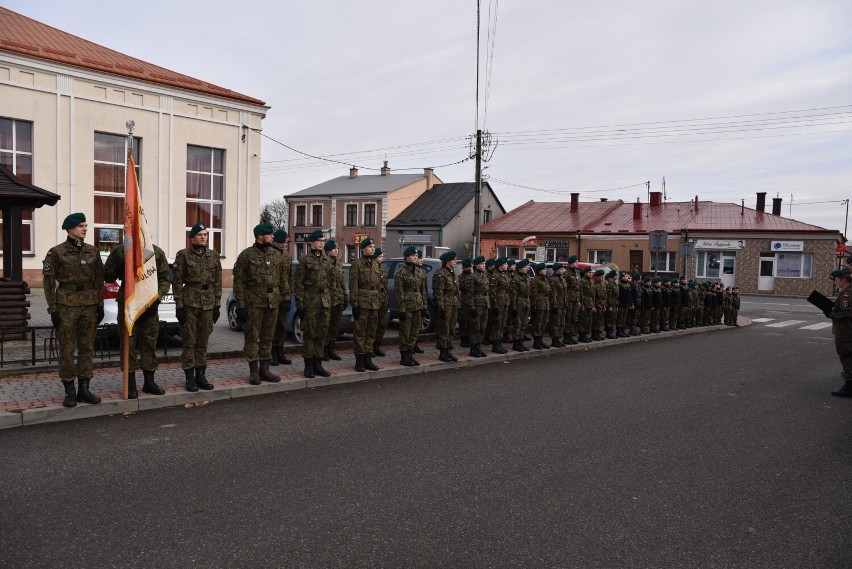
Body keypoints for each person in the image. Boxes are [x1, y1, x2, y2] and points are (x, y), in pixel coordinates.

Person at [43, 213, 105, 407]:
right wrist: (53, 309)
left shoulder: (93, 251)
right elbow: (47, 283)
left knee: (87, 348)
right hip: (66, 306)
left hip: (88, 304)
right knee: (67, 350)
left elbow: (98, 280)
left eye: (86, 225)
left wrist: (100, 305)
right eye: (80, 226)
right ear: (69, 229)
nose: (85, 228)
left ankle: (84, 390)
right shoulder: (56, 253)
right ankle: (69, 390)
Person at [104, 242, 170, 397]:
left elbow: (165, 277)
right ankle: (130, 383)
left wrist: (157, 299)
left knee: (149, 342)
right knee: (128, 343)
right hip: (128, 302)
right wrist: (120, 266)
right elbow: (107, 276)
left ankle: (149, 382)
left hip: (149, 303)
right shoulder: (121, 251)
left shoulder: (155, 252)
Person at [233, 223, 291, 384]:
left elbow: (283, 279)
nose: (272, 236)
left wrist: (286, 298)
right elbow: (239, 283)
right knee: (252, 337)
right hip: (254, 303)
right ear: (260, 236)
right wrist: (241, 306)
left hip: (273, 303)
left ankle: (265, 369)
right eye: (269, 234)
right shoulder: (246, 256)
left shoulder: (276, 255)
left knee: (268, 337)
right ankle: (253, 371)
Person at [173, 222, 222, 392]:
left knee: (203, 342)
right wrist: (179, 306)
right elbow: (177, 282)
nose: (203, 237)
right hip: (190, 303)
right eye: (200, 234)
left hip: (208, 304)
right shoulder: (183, 255)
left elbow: (217, 282)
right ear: (192, 238)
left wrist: (217, 305)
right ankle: (190, 377)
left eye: (205, 234)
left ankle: (201, 375)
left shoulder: (214, 256)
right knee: (189, 342)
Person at [293, 229, 332, 378]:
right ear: (312, 242)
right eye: (319, 241)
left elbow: (331, 282)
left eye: (323, 241)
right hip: (310, 301)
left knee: (322, 334)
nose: (321, 243)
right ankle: (308, 366)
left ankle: (318, 365)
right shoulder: (305, 260)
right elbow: (299, 284)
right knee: (310, 334)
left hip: (325, 302)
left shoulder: (327, 260)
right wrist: (300, 305)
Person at [349, 238, 382, 372]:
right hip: (362, 303)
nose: (373, 249)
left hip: (374, 303)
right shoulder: (357, 264)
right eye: (369, 247)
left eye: (373, 246)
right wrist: (355, 305)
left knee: (371, 332)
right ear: (362, 249)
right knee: (360, 332)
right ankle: (359, 360)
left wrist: (378, 301)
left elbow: (378, 286)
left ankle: (368, 358)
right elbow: (353, 286)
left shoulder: (375, 265)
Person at [396, 246, 425, 366]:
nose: (415, 257)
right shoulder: (401, 273)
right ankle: (404, 356)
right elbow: (399, 292)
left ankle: (410, 353)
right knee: (405, 331)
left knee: (414, 331)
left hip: (418, 305)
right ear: (406, 258)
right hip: (407, 306)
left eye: (416, 255)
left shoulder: (421, 272)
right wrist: (401, 309)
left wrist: (424, 306)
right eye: (413, 255)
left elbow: (423, 290)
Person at [270, 229, 293, 366]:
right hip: (272, 296)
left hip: (283, 297)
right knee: (272, 327)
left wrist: (288, 297)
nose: (283, 244)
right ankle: (272, 353)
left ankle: (280, 351)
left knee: (282, 326)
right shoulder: (270, 255)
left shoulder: (287, 257)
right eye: (281, 242)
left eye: (284, 242)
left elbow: (290, 279)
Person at [432, 250, 460, 362]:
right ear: (447, 261)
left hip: (453, 303)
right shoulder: (441, 273)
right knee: (444, 328)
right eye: (453, 259)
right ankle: (442, 352)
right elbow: (439, 292)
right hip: (445, 304)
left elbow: (457, 291)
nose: (455, 261)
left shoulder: (453, 273)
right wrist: (441, 307)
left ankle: (448, 350)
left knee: (452, 328)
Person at [828, 268, 852, 397]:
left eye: (836, 280)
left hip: (846, 332)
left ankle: (849, 387)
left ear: (843, 280)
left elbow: (846, 313)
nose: (835, 283)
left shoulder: (846, 294)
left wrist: (831, 313)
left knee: (846, 356)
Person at [461, 256, 490, 357]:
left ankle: (478, 346)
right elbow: (470, 294)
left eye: (484, 264)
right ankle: (473, 348)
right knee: (475, 328)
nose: (483, 265)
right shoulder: (472, 277)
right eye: (482, 264)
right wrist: (472, 308)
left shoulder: (484, 276)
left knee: (482, 327)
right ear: (476, 265)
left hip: (484, 304)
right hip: (476, 305)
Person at [323, 238, 345, 362]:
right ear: (327, 251)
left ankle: (331, 349)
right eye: (333, 249)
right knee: (326, 326)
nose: (336, 250)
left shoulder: (338, 263)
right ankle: (324, 350)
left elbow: (341, 282)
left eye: (337, 248)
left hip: (338, 298)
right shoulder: (324, 263)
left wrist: (345, 296)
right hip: (328, 298)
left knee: (335, 326)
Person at [488, 257, 511, 354]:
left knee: (502, 324)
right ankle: (495, 344)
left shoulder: (504, 275)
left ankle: (499, 343)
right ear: (500, 265)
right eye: (505, 264)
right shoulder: (495, 276)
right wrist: (495, 306)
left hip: (504, 301)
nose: (507, 266)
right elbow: (492, 293)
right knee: (497, 324)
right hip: (498, 302)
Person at [509, 259, 531, 351]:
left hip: (526, 302)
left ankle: (521, 342)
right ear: (520, 269)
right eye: (525, 267)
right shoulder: (515, 279)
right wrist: (513, 307)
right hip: (518, 303)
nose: (527, 269)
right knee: (517, 324)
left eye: (526, 267)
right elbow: (513, 294)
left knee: (524, 324)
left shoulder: (528, 277)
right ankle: (516, 343)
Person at [529, 263, 552, 349]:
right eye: (544, 269)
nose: (546, 270)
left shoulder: (545, 279)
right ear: (539, 271)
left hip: (545, 303)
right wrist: (533, 305)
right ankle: (536, 341)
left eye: (546, 269)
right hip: (538, 303)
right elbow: (533, 294)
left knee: (543, 322)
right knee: (537, 323)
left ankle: (541, 340)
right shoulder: (536, 280)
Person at [372, 247, 388, 357]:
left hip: (382, 301)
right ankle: (370, 347)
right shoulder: (372, 270)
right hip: (373, 300)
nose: (382, 258)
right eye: (379, 256)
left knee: (381, 325)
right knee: (372, 325)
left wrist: (386, 302)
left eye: (382, 256)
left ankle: (377, 346)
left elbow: (385, 288)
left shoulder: (383, 271)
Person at [548, 263, 567, 347]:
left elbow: (565, 292)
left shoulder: (562, 279)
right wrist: (554, 305)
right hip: (557, 304)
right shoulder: (553, 280)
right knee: (556, 322)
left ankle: (558, 338)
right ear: (556, 270)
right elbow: (553, 294)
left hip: (563, 304)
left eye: (562, 269)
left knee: (562, 322)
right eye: (560, 269)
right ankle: (554, 339)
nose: (562, 271)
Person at [563, 256, 580, 345]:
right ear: (571, 263)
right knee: (568, 318)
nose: (577, 263)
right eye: (576, 262)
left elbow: (577, 287)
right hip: (569, 298)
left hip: (575, 298)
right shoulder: (566, 273)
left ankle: (570, 335)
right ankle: (566, 336)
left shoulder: (576, 272)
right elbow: (564, 287)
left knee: (574, 318)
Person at [458, 258, 473, 347]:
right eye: (467, 267)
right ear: (463, 267)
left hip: (472, 302)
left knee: (471, 321)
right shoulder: (460, 278)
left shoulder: (473, 277)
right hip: (463, 302)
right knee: (463, 322)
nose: (469, 269)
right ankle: (464, 339)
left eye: (470, 267)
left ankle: (469, 338)